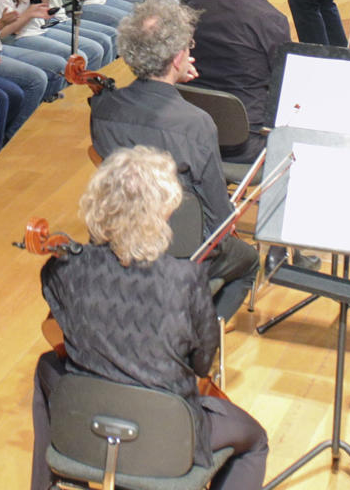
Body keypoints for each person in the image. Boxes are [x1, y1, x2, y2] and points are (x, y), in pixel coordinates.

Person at [29, 146, 268, 490]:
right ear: (162, 212)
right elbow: (202, 365)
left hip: (91, 418)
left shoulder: (64, 268)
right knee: (255, 440)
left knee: (46, 367)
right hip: (164, 436)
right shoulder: (185, 279)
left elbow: (60, 315)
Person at [86, 0, 258, 318]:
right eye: (188, 49)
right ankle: (203, 328)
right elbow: (217, 218)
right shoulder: (196, 123)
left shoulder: (103, 109)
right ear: (179, 57)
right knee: (249, 261)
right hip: (177, 245)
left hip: (119, 235)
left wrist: (173, 75)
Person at [180, 0, 289, 160]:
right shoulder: (271, 20)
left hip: (187, 131)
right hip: (245, 141)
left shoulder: (189, 2)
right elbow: (282, 87)